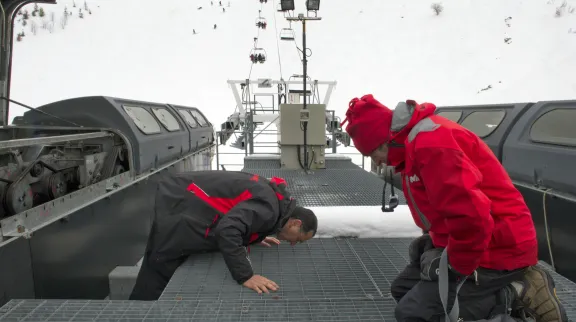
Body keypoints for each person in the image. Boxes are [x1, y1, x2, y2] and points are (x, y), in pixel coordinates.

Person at [341, 95, 567, 322]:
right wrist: (434, 242)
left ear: (385, 140)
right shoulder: (412, 146)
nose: (377, 162)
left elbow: (473, 219)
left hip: (499, 246)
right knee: (403, 290)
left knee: (415, 315)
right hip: (478, 240)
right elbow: (447, 209)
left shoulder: (430, 146)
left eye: (372, 154)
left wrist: (455, 268)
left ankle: (519, 290)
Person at [129, 171, 318, 300]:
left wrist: (255, 235)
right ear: (295, 223)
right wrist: (246, 276)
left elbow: (244, 217)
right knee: (159, 269)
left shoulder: (274, 203)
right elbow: (228, 230)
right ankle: (138, 313)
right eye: (298, 240)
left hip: (184, 198)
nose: (293, 243)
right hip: (181, 205)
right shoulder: (269, 209)